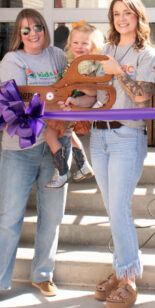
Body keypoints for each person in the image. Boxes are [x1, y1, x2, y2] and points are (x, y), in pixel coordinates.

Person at [0, 8, 71, 308]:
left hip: (57, 146)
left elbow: (68, 91)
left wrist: (64, 108)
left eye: (38, 27)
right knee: (9, 216)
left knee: (52, 215)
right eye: (26, 30)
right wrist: (54, 108)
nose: (33, 34)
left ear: (46, 29)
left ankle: (43, 274)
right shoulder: (12, 60)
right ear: (19, 33)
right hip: (21, 148)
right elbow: (21, 102)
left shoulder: (57, 56)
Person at [90, 0, 155, 308]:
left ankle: (129, 278)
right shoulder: (103, 50)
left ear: (138, 17)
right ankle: (120, 271)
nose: (121, 18)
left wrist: (118, 70)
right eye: (116, 13)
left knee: (119, 208)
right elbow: (91, 92)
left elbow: (143, 96)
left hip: (126, 136)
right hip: (97, 138)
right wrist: (72, 102)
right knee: (112, 208)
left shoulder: (147, 52)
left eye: (127, 13)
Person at [43, 22, 104, 188]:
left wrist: (74, 92)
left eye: (84, 43)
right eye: (75, 43)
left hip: (73, 107)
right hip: (69, 106)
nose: (79, 46)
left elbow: (92, 92)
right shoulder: (74, 62)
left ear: (94, 46)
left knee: (49, 134)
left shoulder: (86, 65)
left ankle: (62, 171)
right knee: (68, 134)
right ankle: (83, 165)